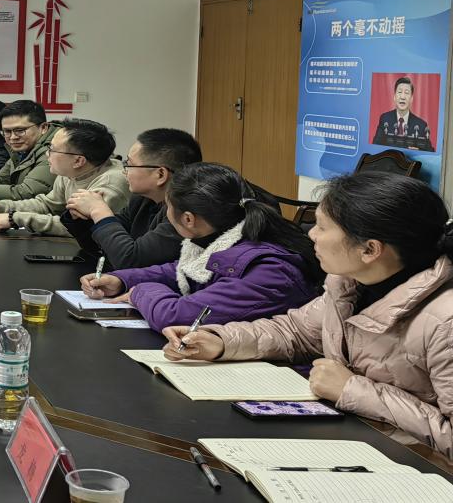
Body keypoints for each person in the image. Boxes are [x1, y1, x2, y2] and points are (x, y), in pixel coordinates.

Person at [161, 172, 453, 460]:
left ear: (369, 249)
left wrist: (353, 390)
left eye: (322, 227)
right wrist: (221, 341)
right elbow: (295, 331)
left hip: (415, 468)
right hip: (356, 444)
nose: (311, 233)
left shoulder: (445, 322)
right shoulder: (350, 285)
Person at [82, 162, 320, 330]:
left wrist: (139, 292)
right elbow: (185, 270)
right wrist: (122, 280)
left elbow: (177, 316)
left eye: (168, 207)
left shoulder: (269, 270)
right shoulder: (227, 239)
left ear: (188, 219)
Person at [62, 128, 202, 269]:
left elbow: (130, 260)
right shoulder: (142, 200)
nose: (124, 171)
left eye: (129, 164)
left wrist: (98, 211)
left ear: (160, 174)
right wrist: (80, 216)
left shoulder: (185, 214)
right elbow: (104, 248)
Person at [0, 118, 129, 236]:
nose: (47, 153)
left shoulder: (110, 184)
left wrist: (15, 218)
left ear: (78, 161)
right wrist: (0, 206)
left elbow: (78, 229)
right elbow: (47, 204)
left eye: (52, 149)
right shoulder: (71, 171)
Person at [372, 76, 434, 151]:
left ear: (411, 99)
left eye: (406, 93)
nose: (402, 97)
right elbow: (375, 146)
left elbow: (430, 152)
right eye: (400, 92)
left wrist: (419, 151)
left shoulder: (421, 125)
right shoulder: (385, 119)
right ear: (394, 97)